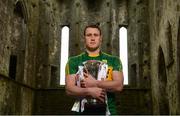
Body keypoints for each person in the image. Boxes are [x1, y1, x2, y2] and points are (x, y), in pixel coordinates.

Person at [65, 24, 124, 115]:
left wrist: (95, 83)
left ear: (101, 38)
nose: (92, 38)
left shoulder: (114, 60)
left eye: (96, 35)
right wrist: (89, 91)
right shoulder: (73, 61)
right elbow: (69, 89)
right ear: (84, 38)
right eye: (89, 35)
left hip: (108, 112)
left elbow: (118, 86)